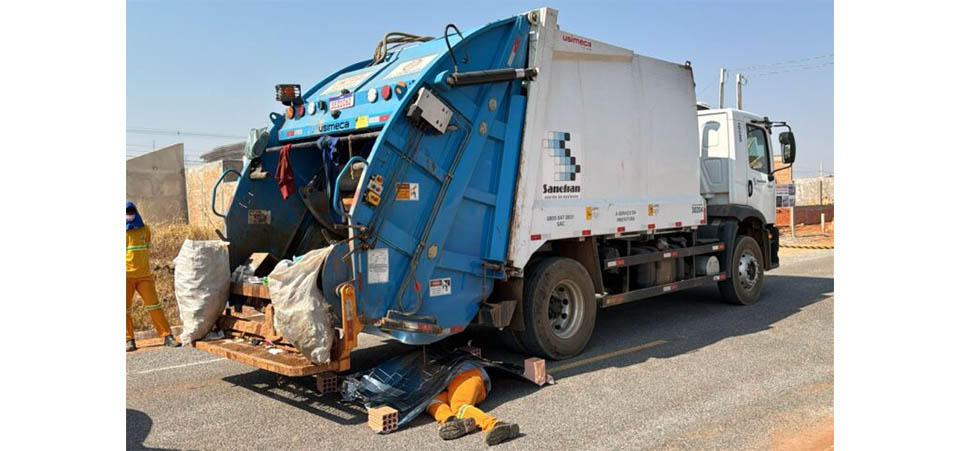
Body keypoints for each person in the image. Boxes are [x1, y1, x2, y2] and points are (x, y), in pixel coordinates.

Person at [126, 201, 180, 351]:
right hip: (125, 277)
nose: (129, 215)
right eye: (127, 212)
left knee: (155, 306)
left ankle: (167, 336)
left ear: (136, 212)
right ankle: (129, 340)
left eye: (131, 212)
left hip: (144, 276)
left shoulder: (145, 230)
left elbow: (146, 248)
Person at [426, 361, 521, 445]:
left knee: (459, 406)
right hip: (449, 385)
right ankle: (452, 421)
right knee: (432, 402)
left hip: (466, 375)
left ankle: (495, 425)